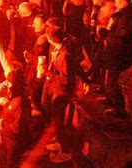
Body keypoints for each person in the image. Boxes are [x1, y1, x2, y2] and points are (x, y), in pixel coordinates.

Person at [101, 0, 132, 118]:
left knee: (112, 81)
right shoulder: (124, 12)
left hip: (119, 52)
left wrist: (105, 34)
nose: (114, 0)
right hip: (115, 50)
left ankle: (119, 109)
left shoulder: (126, 16)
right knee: (109, 76)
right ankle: (110, 99)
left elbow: (121, 36)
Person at [40, 27, 77, 163]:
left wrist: (47, 73)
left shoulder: (64, 55)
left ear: (51, 39)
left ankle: (66, 151)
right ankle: (61, 143)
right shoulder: (58, 50)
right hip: (56, 89)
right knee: (56, 119)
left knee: (58, 121)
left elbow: (66, 79)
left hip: (62, 92)